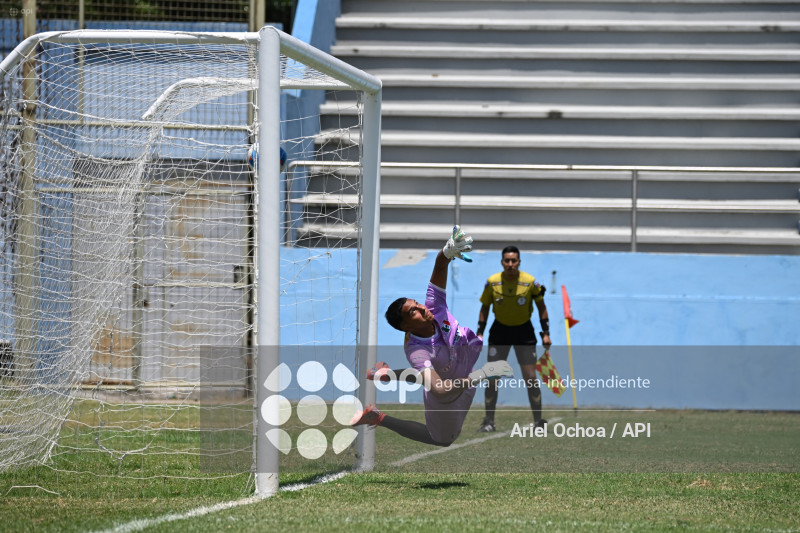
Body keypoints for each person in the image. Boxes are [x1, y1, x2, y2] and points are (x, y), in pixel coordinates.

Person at [350, 226, 513, 446]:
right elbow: (439, 389)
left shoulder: (434, 307)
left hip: (463, 374)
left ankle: (384, 374)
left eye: (416, 303)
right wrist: (483, 374)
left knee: (431, 370)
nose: (420, 308)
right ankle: (378, 417)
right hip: (447, 395)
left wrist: (446, 253)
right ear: (405, 327)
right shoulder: (417, 351)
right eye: (412, 312)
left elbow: (440, 265)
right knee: (442, 440)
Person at [475, 245, 551, 433]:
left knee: (531, 378)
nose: (510, 264)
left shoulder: (530, 282)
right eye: (507, 261)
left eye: (513, 261)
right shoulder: (492, 282)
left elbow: (542, 306)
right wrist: (480, 332)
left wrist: (546, 332)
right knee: (492, 378)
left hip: (524, 332)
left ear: (519, 262)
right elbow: (484, 308)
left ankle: (538, 422)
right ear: (502, 262)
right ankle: (489, 422)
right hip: (499, 331)